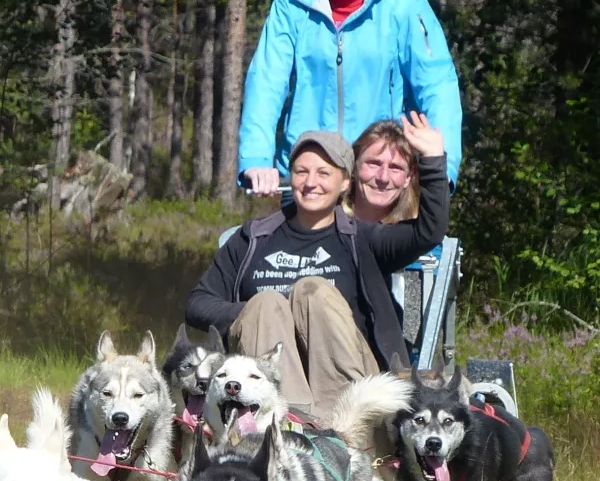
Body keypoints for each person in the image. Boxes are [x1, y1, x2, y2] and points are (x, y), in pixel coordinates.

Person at [184, 112, 449, 424]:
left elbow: (428, 232)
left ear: (344, 183)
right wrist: (258, 310)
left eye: (324, 173)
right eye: (301, 171)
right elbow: (197, 303)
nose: (311, 183)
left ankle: (337, 433)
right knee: (266, 303)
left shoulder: (362, 239)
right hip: (275, 392)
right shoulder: (253, 238)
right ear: (291, 176)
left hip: (351, 390)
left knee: (313, 291)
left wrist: (433, 159)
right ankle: (291, 424)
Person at [238, 0, 463, 199]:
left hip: (379, 181)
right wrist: (256, 159)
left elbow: (437, 85)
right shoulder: (290, 5)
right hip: (311, 179)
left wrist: (443, 167)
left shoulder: (405, 2)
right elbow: (266, 84)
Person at [345, 119, 420, 224]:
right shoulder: (324, 226)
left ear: (408, 177)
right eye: (374, 164)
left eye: (395, 167)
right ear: (354, 166)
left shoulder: (419, 235)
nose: (383, 178)